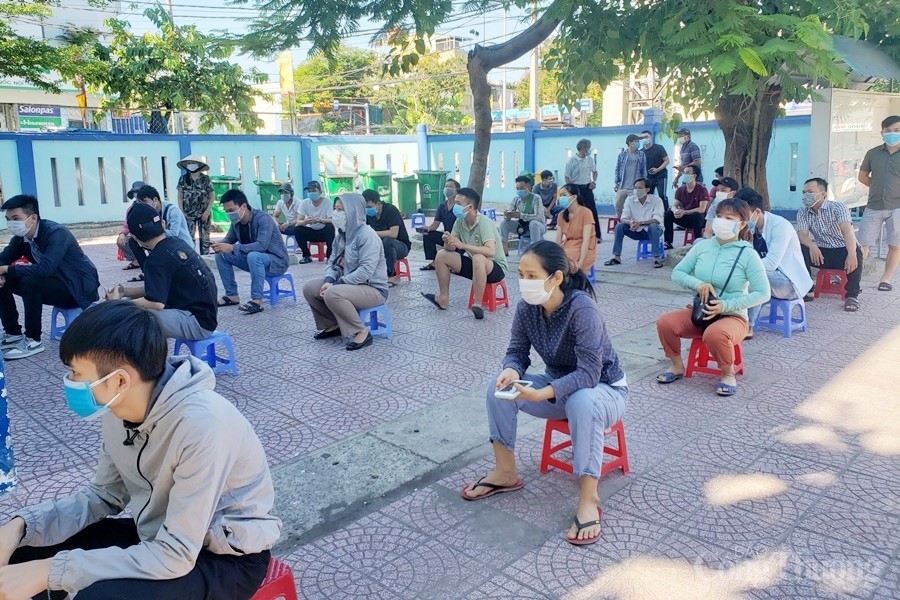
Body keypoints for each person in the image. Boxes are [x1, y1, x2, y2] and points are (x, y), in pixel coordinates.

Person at [0, 301, 280, 599]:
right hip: (156, 538)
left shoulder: (203, 425)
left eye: (76, 373)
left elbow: (176, 554)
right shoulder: (116, 409)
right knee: (25, 551)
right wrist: (22, 526)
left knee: (94, 594)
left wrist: (53, 570)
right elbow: (103, 495)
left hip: (223, 558)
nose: (69, 382)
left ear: (119, 380)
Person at [460, 241, 627, 547]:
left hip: (604, 390)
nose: (525, 282)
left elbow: (589, 374)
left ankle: (589, 499)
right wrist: (511, 371)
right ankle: (505, 472)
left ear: (556, 278)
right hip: (558, 385)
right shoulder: (527, 308)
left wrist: (544, 393)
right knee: (498, 388)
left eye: (532, 276)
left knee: (582, 401)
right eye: (521, 275)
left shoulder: (582, 309)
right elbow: (516, 351)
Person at [656, 198, 770, 396]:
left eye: (729, 218)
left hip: (733, 316)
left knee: (714, 334)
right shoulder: (703, 247)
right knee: (665, 323)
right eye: (718, 216)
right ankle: (676, 365)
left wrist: (725, 305)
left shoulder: (748, 254)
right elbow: (678, 273)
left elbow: (763, 293)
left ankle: (727, 373)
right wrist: (697, 284)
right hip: (701, 312)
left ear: (741, 224)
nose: (721, 221)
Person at [0, 195, 100, 360]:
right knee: (5, 280)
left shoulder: (56, 233)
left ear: (33, 218)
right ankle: (13, 333)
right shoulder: (21, 238)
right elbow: (4, 257)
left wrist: (6, 269)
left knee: (29, 282)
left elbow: (44, 269)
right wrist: (2, 271)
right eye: (8, 219)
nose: (11, 223)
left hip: (77, 288)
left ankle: (33, 340)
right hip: (54, 282)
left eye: (16, 218)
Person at [105, 202, 218, 340]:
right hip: (205, 316)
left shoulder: (156, 260)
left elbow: (156, 303)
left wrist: (118, 304)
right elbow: (156, 290)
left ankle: (140, 355)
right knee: (133, 304)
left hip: (197, 324)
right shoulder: (176, 242)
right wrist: (125, 292)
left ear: (134, 237)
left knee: (132, 316)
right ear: (163, 224)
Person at [301, 194, 388, 351]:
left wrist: (336, 284)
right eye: (335, 209)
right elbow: (332, 262)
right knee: (310, 288)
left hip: (372, 288)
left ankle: (361, 331)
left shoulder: (367, 235)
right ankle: (333, 324)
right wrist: (329, 279)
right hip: (345, 284)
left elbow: (366, 271)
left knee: (332, 293)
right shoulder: (341, 236)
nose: (336, 213)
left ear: (353, 211)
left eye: (341, 210)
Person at [421, 187, 508, 320]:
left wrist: (463, 245)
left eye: (458, 203)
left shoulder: (484, 223)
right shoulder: (460, 221)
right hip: (476, 266)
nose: (454, 206)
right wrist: (447, 240)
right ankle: (443, 298)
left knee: (478, 258)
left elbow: (490, 251)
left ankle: (477, 305)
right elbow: (451, 249)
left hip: (495, 268)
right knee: (442, 255)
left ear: (470, 207)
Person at [737, 187, 813, 329]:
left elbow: (771, 263)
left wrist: (741, 267)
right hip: (770, 279)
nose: (740, 220)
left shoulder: (780, 226)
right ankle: (734, 319)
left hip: (790, 282)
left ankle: (747, 325)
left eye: (742, 216)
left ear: (757, 212)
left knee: (753, 276)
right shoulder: (749, 228)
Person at [212, 189, 288, 315]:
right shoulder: (236, 222)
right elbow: (229, 240)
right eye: (226, 212)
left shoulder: (263, 218)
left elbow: (261, 245)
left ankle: (257, 300)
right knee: (221, 255)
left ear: (243, 206)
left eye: (231, 210)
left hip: (277, 262)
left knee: (254, 255)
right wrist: (218, 245)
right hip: (253, 260)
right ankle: (232, 295)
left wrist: (232, 248)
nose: (229, 214)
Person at [796, 177, 862, 312]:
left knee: (855, 251)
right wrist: (812, 246)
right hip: (821, 252)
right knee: (799, 248)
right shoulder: (803, 212)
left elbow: (847, 231)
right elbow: (802, 235)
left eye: (810, 192)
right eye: (804, 192)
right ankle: (808, 288)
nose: (806, 195)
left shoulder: (838, 207)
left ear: (823, 194)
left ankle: (852, 295)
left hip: (841, 249)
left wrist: (851, 254)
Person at [857, 114, 900, 292]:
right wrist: (876, 186)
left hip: (897, 206)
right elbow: (862, 176)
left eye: (897, 130)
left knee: (895, 245)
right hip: (874, 205)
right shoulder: (873, 153)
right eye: (888, 130)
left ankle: (886, 279)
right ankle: (854, 279)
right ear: (882, 132)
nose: (892, 133)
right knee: (862, 244)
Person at [604, 179, 666, 268]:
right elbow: (623, 218)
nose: (636, 190)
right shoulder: (630, 200)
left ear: (647, 189)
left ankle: (656, 258)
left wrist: (640, 223)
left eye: (639, 188)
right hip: (635, 230)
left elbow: (657, 219)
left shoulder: (656, 200)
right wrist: (630, 222)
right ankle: (616, 257)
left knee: (653, 226)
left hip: (653, 231)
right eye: (635, 188)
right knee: (619, 226)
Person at [363, 189, 411, 286]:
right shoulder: (367, 215)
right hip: (378, 246)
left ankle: (390, 275)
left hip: (400, 246)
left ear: (378, 204)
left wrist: (372, 233)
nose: (367, 209)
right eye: (365, 207)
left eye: (369, 207)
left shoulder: (391, 210)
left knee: (387, 241)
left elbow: (393, 233)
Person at [176, 154, 215, 255]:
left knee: (205, 237)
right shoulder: (183, 179)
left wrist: (207, 211)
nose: (191, 165)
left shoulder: (206, 179)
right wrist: (182, 212)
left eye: (193, 163)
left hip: (204, 213)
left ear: (199, 165)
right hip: (188, 213)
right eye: (189, 163)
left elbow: (212, 197)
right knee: (189, 236)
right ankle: (191, 257)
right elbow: (180, 197)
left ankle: (205, 257)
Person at [664, 165, 709, 249]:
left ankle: (698, 241)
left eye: (687, 173)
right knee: (668, 214)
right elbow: (674, 205)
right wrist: (676, 211)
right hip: (685, 217)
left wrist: (685, 212)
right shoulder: (680, 190)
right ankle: (668, 242)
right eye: (684, 172)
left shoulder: (702, 190)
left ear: (694, 176)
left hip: (699, 219)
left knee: (696, 215)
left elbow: (702, 209)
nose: (684, 175)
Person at [556, 183, 597, 274]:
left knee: (567, 256)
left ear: (574, 197)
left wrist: (580, 263)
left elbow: (586, 240)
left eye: (564, 195)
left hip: (584, 247)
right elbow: (558, 240)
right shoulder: (561, 215)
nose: (561, 198)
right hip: (568, 244)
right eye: (560, 195)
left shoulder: (586, 213)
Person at [499, 175, 546, 256]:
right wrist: (507, 215)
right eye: (517, 188)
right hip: (522, 227)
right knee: (504, 223)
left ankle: (534, 251)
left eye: (521, 188)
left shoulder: (536, 198)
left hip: (538, 227)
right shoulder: (516, 199)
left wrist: (521, 215)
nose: (519, 191)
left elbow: (539, 217)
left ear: (529, 187)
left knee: (533, 223)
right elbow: (509, 213)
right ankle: (504, 250)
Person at [419, 179, 460, 270]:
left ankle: (455, 263)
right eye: (446, 186)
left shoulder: (459, 207)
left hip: (459, 238)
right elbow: (435, 224)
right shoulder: (442, 206)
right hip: (446, 236)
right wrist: (427, 228)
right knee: (428, 234)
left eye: (450, 186)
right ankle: (434, 262)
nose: (447, 188)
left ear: (457, 190)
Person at [565, 138, 602, 239]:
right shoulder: (571, 160)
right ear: (582, 148)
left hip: (587, 187)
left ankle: (597, 235)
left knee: (592, 211)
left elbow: (595, 172)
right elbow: (567, 177)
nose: (589, 150)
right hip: (576, 188)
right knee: (576, 212)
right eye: (588, 148)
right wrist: (570, 190)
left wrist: (593, 181)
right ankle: (576, 235)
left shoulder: (590, 160)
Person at [294, 181, 336, 264]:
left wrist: (320, 220)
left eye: (313, 190)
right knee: (297, 229)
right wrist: (306, 221)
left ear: (320, 192)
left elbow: (332, 220)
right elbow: (298, 221)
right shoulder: (304, 203)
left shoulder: (327, 202)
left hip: (324, 232)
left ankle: (329, 256)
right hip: (311, 231)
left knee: (330, 227)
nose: (311, 193)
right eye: (309, 191)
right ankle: (306, 256)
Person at [613, 134, 648, 218]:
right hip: (623, 185)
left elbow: (644, 169)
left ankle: (633, 221)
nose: (638, 143)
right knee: (618, 205)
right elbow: (617, 169)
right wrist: (616, 182)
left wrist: (644, 183)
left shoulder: (641, 154)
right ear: (630, 142)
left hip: (635, 187)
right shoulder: (622, 155)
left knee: (636, 207)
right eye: (636, 141)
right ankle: (621, 220)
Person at [117, 180, 145, 270]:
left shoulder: (151, 205)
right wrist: (122, 234)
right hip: (137, 236)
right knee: (123, 240)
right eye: (135, 192)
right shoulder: (131, 209)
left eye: (139, 191)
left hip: (152, 235)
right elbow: (127, 225)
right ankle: (136, 260)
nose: (137, 194)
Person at [640, 130, 670, 211]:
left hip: (661, 176)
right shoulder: (641, 152)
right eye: (642, 138)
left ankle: (666, 213)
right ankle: (649, 213)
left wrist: (657, 169)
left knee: (662, 195)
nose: (644, 139)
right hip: (648, 178)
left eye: (646, 137)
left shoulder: (659, 148)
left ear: (651, 137)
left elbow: (667, 161)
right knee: (648, 196)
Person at [271, 182, 303, 253]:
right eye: (282, 193)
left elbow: (300, 218)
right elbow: (275, 216)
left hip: (298, 225)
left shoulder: (298, 203)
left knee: (298, 227)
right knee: (272, 226)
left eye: (286, 192)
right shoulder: (280, 203)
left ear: (291, 193)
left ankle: (299, 246)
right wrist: (277, 224)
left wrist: (288, 223)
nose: (283, 195)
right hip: (288, 226)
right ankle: (277, 246)